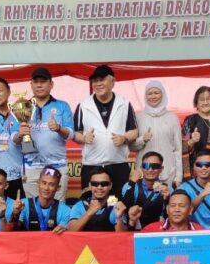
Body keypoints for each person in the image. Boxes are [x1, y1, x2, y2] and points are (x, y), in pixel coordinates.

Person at [73, 65, 139, 195]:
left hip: (118, 165)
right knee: (91, 203)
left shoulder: (124, 104)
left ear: (113, 81)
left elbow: (134, 131)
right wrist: (84, 138)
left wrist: (124, 138)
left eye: (102, 80)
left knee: (118, 203)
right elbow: (75, 134)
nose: (98, 84)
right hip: (92, 165)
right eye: (95, 81)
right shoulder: (83, 105)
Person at [22, 67, 74, 200]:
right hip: (31, 167)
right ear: (31, 84)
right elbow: (15, 138)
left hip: (56, 165)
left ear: (51, 84)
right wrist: (20, 134)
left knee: (57, 206)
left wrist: (59, 128)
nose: (39, 85)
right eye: (36, 82)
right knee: (33, 206)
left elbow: (71, 134)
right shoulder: (22, 107)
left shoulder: (62, 106)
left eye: (43, 81)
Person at [131, 80, 182, 188]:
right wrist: (142, 140)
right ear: (145, 96)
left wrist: (178, 176)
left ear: (162, 94)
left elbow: (178, 149)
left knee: (167, 198)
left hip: (168, 172)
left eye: (156, 93)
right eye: (150, 93)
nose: (153, 96)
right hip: (145, 172)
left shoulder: (172, 118)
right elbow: (131, 146)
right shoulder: (138, 118)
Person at [181, 86, 210, 182]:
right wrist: (192, 141)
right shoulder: (190, 120)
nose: (205, 102)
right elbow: (181, 147)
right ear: (196, 103)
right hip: (195, 171)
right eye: (202, 99)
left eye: (208, 99)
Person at [10, 167, 71, 233]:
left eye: (51, 185)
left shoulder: (65, 210)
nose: (46, 188)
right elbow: (13, 231)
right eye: (44, 183)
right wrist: (15, 214)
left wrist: (64, 230)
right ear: (38, 183)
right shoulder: (24, 204)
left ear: (58, 187)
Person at [120, 151, 170, 229]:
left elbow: (169, 218)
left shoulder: (167, 189)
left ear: (161, 169)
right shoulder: (130, 185)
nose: (150, 170)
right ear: (141, 168)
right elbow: (123, 210)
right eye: (146, 166)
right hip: (134, 230)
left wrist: (167, 200)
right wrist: (132, 183)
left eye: (155, 166)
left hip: (158, 230)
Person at [68, 167, 127, 232]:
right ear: (90, 186)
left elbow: (122, 236)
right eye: (95, 184)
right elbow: (71, 231)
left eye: (104, 184)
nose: (99, 187)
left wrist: (119, 218)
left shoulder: (115, 204)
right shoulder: (80, 205)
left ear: (110, 186)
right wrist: (89, 213)